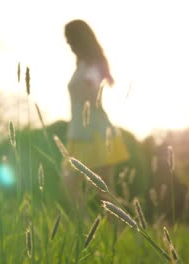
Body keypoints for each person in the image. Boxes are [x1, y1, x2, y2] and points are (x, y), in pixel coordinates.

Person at [62, 19, 130, 204]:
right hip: (78, 134)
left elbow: (94, 85)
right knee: (72, 185)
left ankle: (125, 227)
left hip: (97, 134)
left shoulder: (93, 64)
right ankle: (84, 227)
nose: (68, 43)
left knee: (104, 192)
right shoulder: (81, 64)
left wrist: (93, 81)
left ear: (79, 38)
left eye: (69, 39)